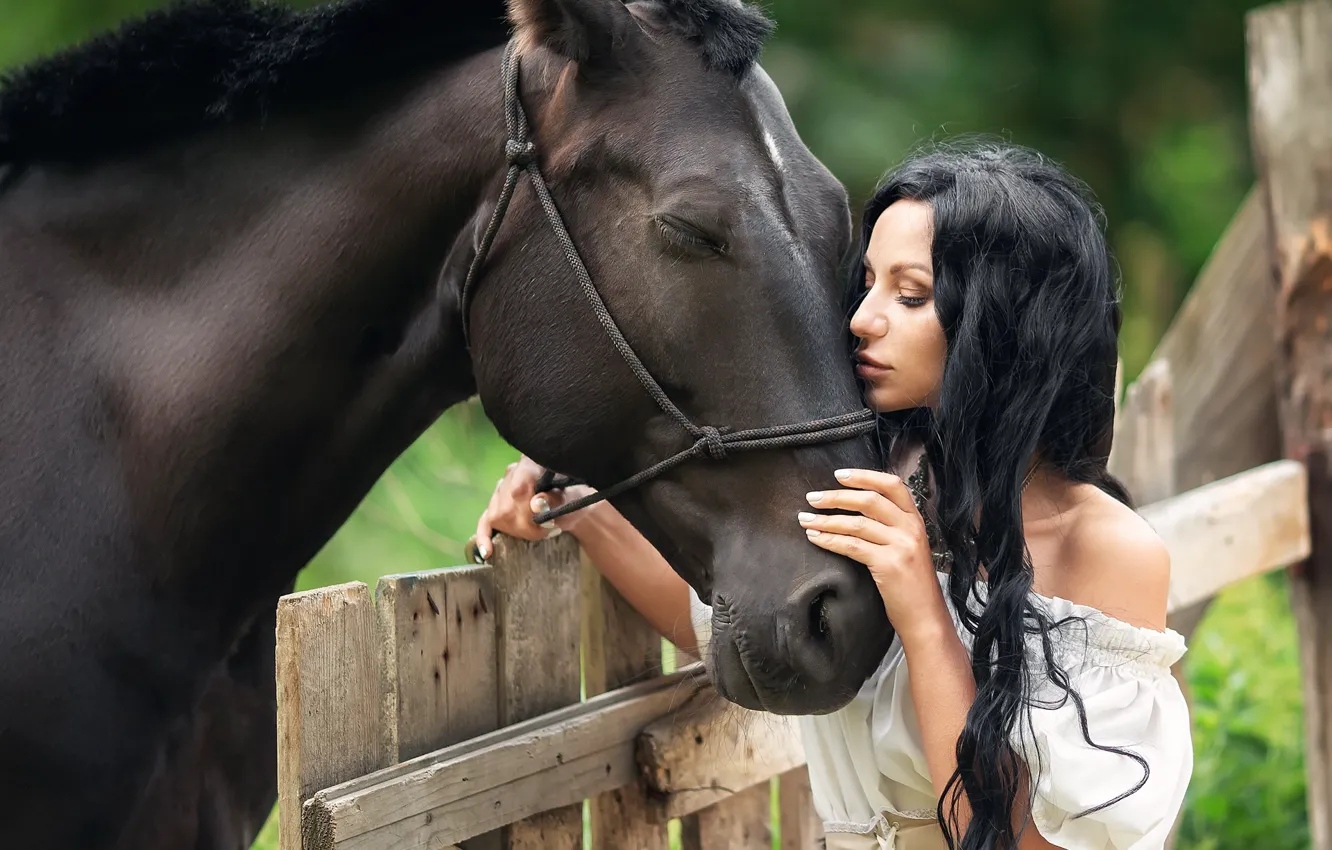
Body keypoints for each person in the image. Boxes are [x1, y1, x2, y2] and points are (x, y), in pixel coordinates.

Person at [472, 139, 1192, 850]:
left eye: (910, 295)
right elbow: (728, 625)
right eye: (867, 282)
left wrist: (919, 610)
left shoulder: (1105, 549)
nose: (860, 319)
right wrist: (577, 505)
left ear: (1005, 327)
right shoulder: (883, 476)